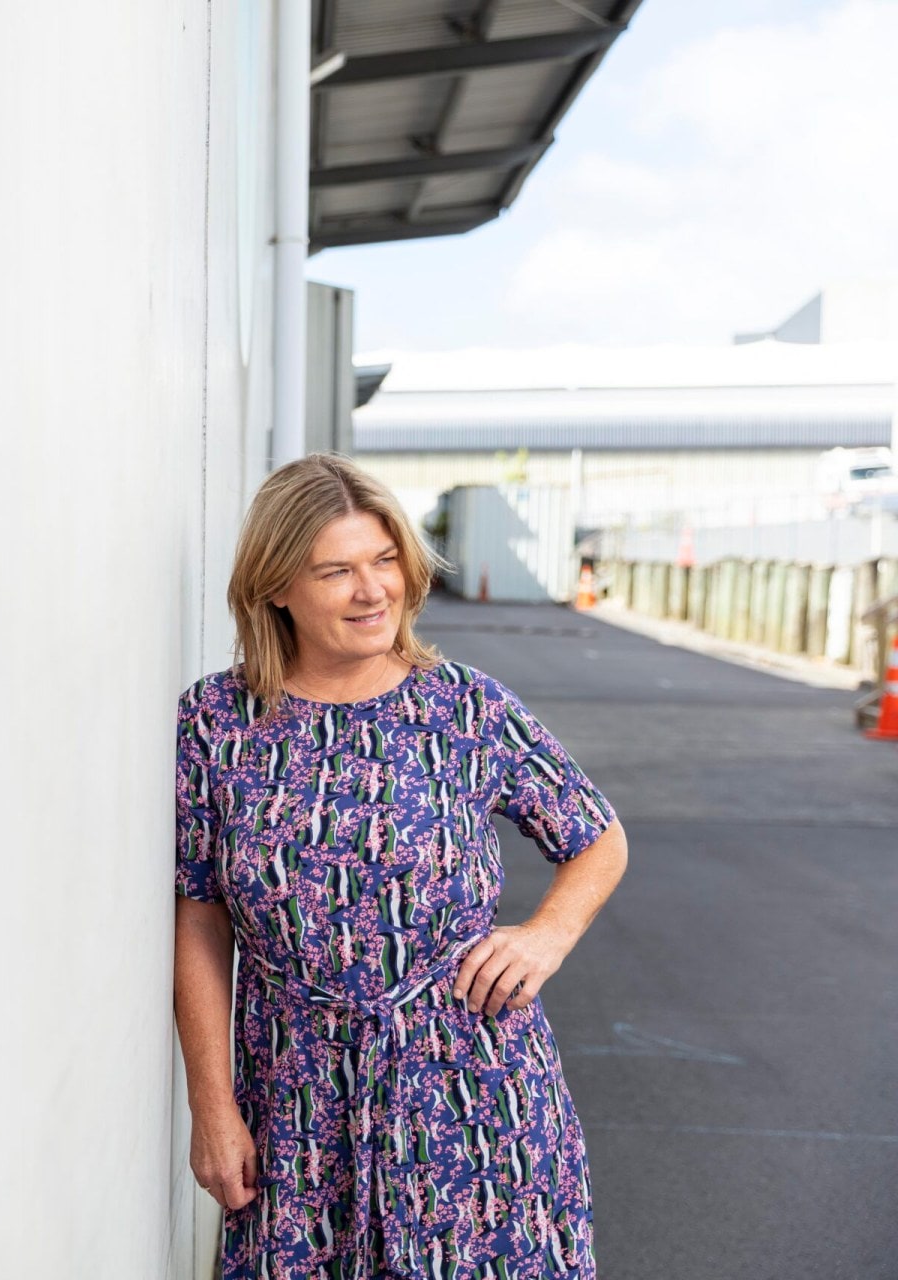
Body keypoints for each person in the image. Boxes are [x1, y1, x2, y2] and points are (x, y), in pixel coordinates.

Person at [172, 453, 629, 1280]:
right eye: (336, 571)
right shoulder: (215, 723)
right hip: (297, 1096)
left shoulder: (464, 707)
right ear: (276, 587)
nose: (372, 590)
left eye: (384, 560)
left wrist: (545, 938)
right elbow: (200, 917)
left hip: (473, 1088)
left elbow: (597, 835)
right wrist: (211, 1103)